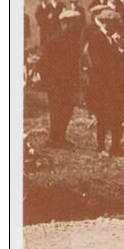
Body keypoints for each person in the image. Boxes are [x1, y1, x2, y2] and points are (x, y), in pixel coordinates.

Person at [81, 9, 124, 157]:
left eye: (114, 23)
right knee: (103, 116)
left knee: (117, 115)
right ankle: (101, 146)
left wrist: (121, 48)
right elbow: (97, 63)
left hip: (116, 83)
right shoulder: (96, 38)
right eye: (109, 23)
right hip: (102, 84)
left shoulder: (116, 38)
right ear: (103, 22)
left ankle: (116, 145)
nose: (112, 26)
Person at [38, 9, 82, 146]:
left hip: (68, 82)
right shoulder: (54, 40)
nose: (76, 27)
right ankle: (54, 138)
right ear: (65, 24)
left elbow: (75, 63)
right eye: (73, 24)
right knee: (57, 110)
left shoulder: (74, 41)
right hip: (56, 83)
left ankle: (60, 137)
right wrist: (49, 82)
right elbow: (43, 64)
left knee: (67, 109)